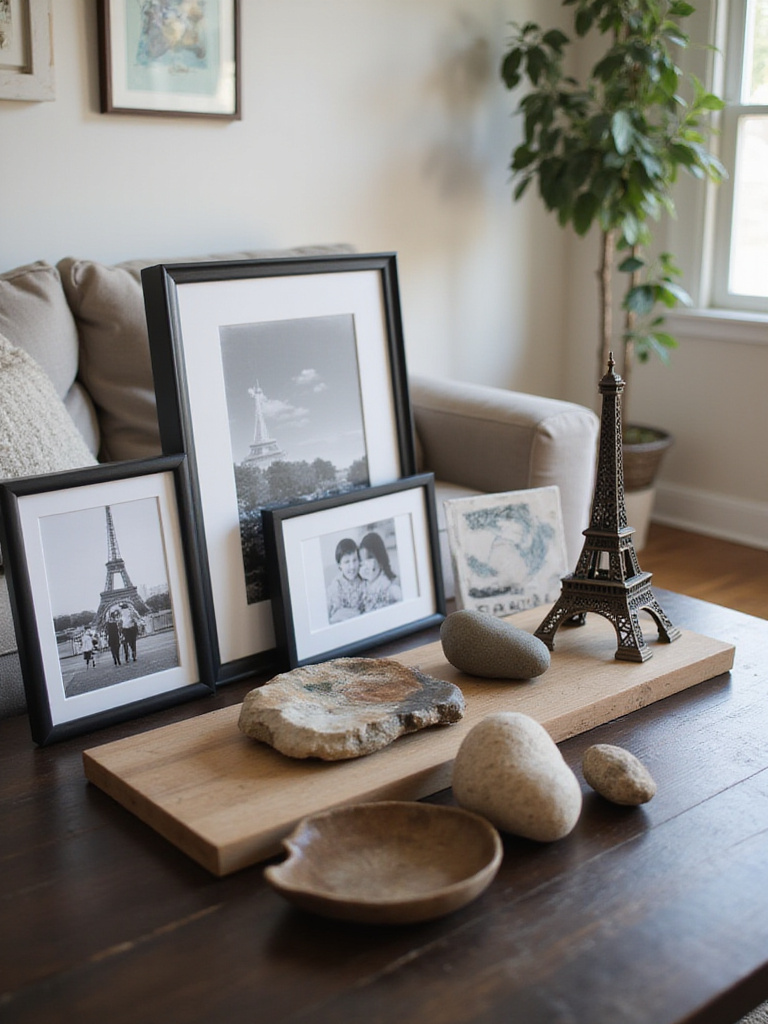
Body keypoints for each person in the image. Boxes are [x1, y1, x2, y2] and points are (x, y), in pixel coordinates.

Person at [358, 532, 402, 612]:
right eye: (362, 561)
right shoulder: (362, 586)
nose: (366, 566)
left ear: (380, 560)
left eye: (369, 558)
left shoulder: (389, 586)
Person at [326, 537, 365, 623]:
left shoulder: (363, 580)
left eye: (355, 560)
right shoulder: (335, 586)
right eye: (347, 562)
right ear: (339, 565)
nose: (352, 566)